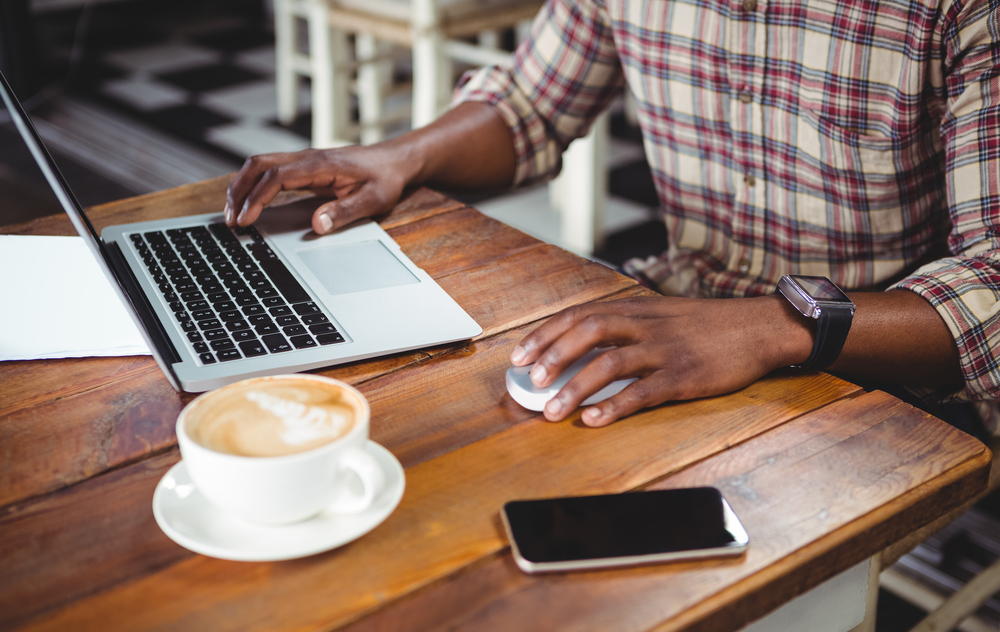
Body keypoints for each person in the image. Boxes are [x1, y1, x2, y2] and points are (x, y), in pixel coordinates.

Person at [226, 0, 999, 433]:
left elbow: (991, 285)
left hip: (875, 375)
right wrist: (404, 155)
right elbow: (532, 106)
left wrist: (769, 326)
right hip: (680, 316)